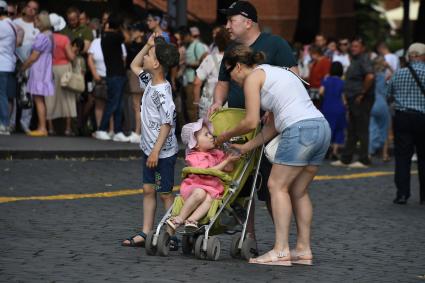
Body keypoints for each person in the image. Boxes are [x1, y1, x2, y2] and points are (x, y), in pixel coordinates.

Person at [216, 45, 330, 265]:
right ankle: (303, 249)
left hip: (300, 130)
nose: (231, 80)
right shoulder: (276, 72)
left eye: (229, 73)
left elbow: (250, 121)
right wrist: (246, 147)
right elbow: (273, 126)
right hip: (320, 128)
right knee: (298, 190)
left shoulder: (252, 79)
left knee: (276, 186)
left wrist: (223, 137)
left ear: (238, 66)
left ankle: (280, 250)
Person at [209, 0, 298, 246]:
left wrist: (275, 108)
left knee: (271, 187)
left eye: (232, 20)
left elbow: (294, 76)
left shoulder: (276, 44)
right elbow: (223, 82)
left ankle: (284, 242)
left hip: (269, 128)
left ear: (248, 22)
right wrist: (217, 102)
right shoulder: (231, 49)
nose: (227, 25)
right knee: (241, 187)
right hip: (239, 123)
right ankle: (248, 237)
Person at [122, 34, 179, 247]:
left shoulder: (163, 93)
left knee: (165, 193)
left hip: (162, 153)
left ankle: (171, 234)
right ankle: (146, 232)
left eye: (149, 54)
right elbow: (133, 64)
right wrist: (147, 44)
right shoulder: (149, 81)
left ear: (156, 64)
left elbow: (167, 124)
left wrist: (156, 151)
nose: (145, 56)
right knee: (148, 190)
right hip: (149, 149)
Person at [167, 118, 240, 231]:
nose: (211, 136)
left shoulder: (216, 153)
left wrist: (229, 158)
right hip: (194, 187)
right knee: (200, 193)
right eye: (206, 135)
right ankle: (180, 217)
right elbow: (209, 172)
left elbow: (228, 169)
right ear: (195, 144)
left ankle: (192, 220)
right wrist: (225, 161)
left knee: (209, 199)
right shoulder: (194, 156)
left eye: (210, 134)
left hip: (212, 189)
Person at [386, 43, 425, 205]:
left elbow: (389, 95)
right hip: (422, 118)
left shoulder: (398, 73)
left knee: (402, 157)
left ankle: (402, 194)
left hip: (402, 117)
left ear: (410, 56)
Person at [331, 37, 375, 168]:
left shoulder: (364, 59)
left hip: (360, 99)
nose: (353, 48)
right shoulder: (355, 60)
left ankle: (364, 159)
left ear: (363, 48)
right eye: (352, 46)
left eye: (356, 46)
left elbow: (370, 76)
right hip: (354, 99)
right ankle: (346, 158)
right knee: (352, 129)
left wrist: (362, 93)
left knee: (361, 129)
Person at [93, 13, 128, 142]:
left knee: (118, 104)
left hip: (112, 74)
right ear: (119, 25)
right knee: (114, 103)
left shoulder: (105, 37)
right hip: (117, 74)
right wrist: (121, 27)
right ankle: (102, 129)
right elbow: (128, 38)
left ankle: (118, 131)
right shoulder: (116, 36)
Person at [20, 12, 54, 137]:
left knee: (38, 99)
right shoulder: (49, 35)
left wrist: (23, 67)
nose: (34, 22)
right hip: (45, 68)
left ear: (41, 21)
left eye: (36, 20)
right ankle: (42, 126)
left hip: (39, 68)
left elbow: (34, 56)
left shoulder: (42, 37)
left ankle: (42, 128)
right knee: (40, 99)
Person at [45, 13, 77, 136]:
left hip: (49, 69)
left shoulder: (46, 37)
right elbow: (70, 56)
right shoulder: (64, 39)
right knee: (67, 98)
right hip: (64, 69)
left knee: (50, 98)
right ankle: (68, 129)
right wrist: (74, 53)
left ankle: (51, 128)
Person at [13, 0, 39, 133]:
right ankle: (10, 123)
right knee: (12, 93)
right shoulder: (15, 23)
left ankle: (25, 123)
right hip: (14, 62)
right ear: (24, 8)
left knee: (28, 95)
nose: (31, 10)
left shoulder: (37, 26)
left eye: (34, 9)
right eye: (29, 7)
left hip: (31, 65)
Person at [193, 27, 230, 119]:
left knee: (205, 132)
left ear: (216, 42)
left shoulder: (210, 59)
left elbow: (197, 82)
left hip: (209, 104)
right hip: (227, 105)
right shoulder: (235, 60)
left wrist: (196, 103)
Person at [124, 22, 147, 144]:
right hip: (134, 74)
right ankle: (139, 131)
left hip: (138, 74)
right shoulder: (130, 44)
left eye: (137, 30)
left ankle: (138, 132)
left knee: (137, 105)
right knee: (136, 105)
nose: (134, 32)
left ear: (142, 33)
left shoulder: (144, 46)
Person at [181, 26, 208, 123]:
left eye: (183, 37)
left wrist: (189, 64)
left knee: (192, 108)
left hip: (194, 80)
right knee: (189, 107)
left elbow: (205, 62)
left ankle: (195, 131)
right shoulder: (189, 46)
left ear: (188, 35)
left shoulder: (198, 45)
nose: (182, 40)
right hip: (187, 80)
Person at [319, 61, 346, 160]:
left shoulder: (326, 80)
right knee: (339, 130)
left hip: (327, 107)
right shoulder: (342, 82)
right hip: (339, 108)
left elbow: (321, 92)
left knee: (328, 130)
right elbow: (344, 98)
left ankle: (326, 150)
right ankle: (335, 151)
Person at [0, 0, 18, 135]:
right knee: (3, 95)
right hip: (7, 64)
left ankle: (4, 124)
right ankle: (4, 123)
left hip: (2, 64)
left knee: (2, 96)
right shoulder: (11, 24)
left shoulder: (2, 26)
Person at [369, 56, 391, 161]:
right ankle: (384, 154)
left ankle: (370, 152)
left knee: (372, 128)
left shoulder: (371, 76)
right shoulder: (384, 76)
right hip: (382, 103)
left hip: (372, 103)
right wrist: (390, 67)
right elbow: (396, 77)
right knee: (384, 128)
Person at [308, 45, 331, 109]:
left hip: (319, 90)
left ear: (315, 53)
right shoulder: (315, 63)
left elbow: (326, 77)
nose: (310, 56)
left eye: (311, 54)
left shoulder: (325, 61)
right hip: (313, 90)